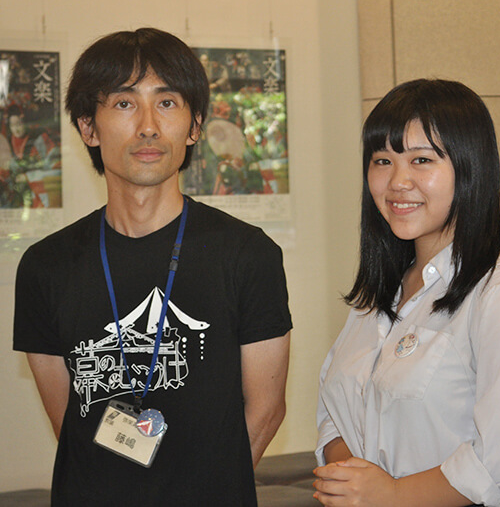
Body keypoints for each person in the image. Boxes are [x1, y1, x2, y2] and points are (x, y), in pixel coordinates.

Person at [13, 28, 292, 506]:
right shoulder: (45, 267)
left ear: (194, 125)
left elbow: (266, 410)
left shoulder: (248, 254)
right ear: (88, 127)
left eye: (167, 103)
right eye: (124, 104)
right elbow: (71, 418)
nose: (147, 126)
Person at [313, 79, 500, 507]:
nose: (398, 181)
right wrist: (354, 482)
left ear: (470, 168)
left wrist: (394, 494)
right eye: (382, 160)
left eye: (422, 160)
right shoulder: (380, 291)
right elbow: (334, 407)